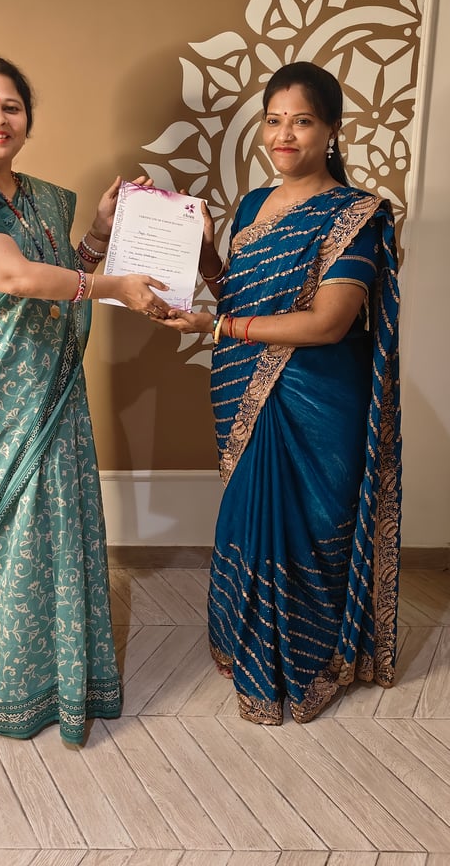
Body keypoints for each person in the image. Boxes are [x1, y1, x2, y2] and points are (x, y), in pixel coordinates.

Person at [0, 53, 170, 742]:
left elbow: (60, 277)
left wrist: (99, 234)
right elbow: (13, 278)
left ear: (27, 119)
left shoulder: (46, 200)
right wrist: (117, 287)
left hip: (49, 395)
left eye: (11, 106)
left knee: (53, 533)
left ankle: (63, 681)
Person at [163, 61, 401, 724]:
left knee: (311, 530)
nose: (284, 135)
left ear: (331, 130)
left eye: (302, 121)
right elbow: (236, 296)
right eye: (273, 120)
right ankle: (248, 643)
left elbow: (328, 324)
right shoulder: (250, 207)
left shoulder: (355, 215)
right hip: (246, 389)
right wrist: (204, 258)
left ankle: (309, 660)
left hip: (318, 399)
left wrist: (216, 327)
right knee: (247, 516)